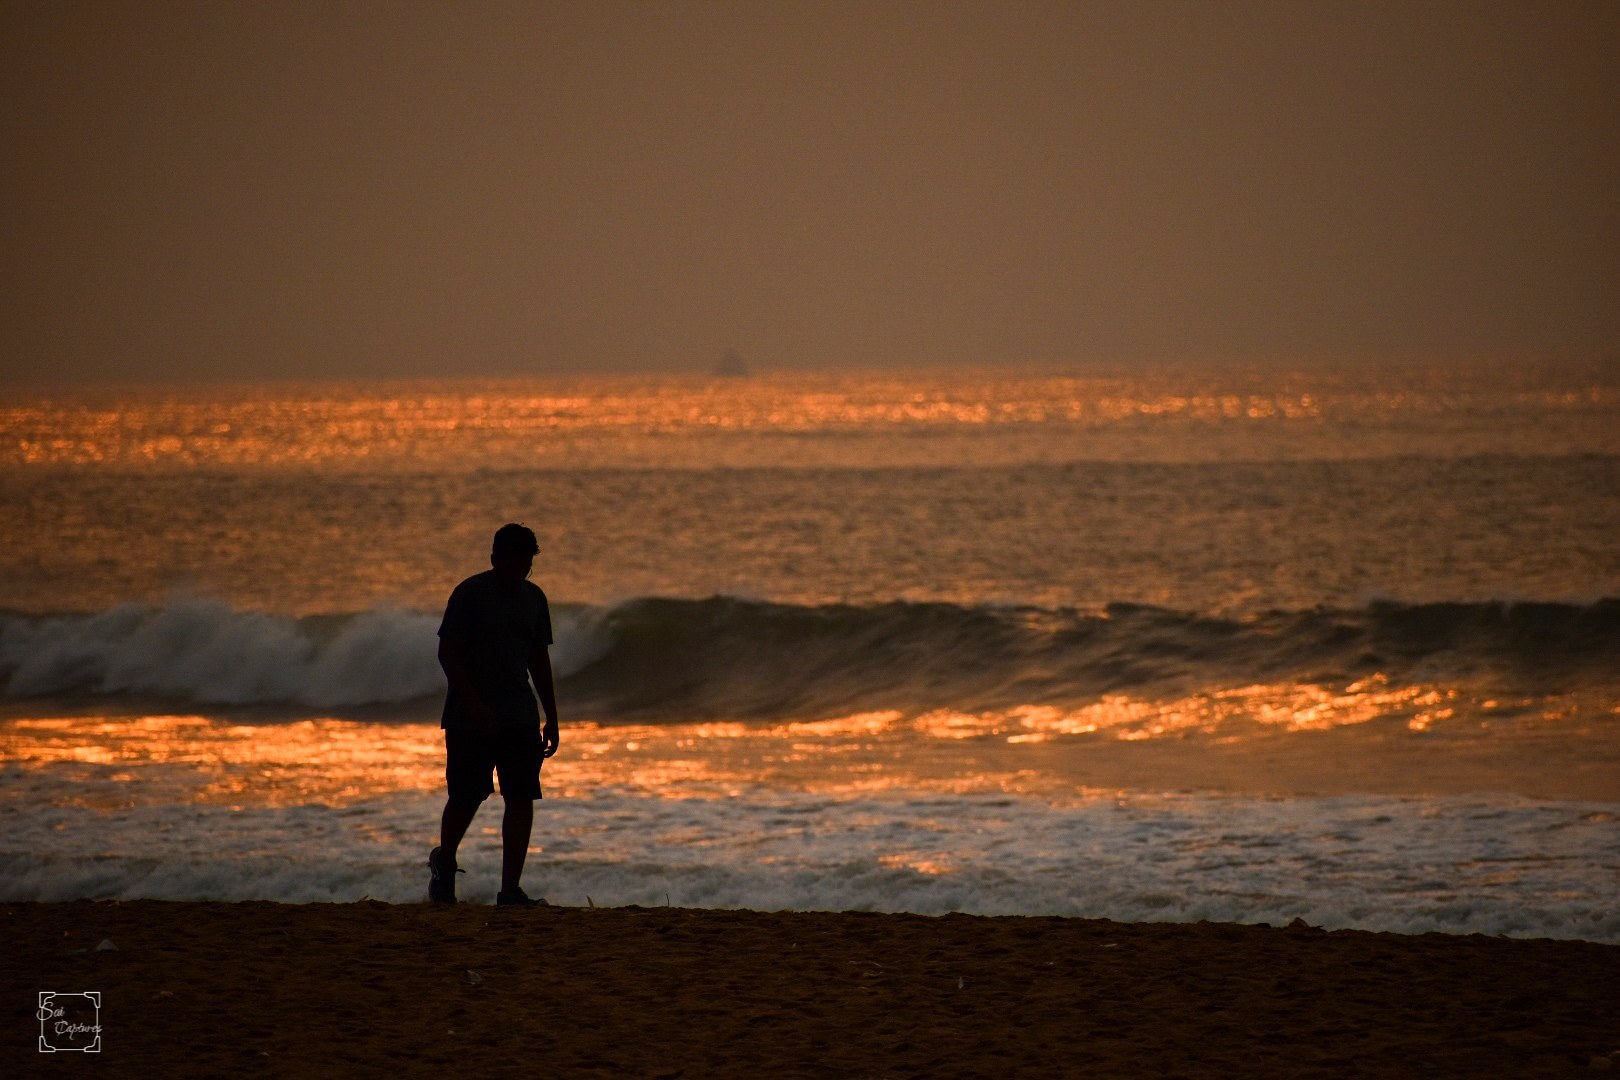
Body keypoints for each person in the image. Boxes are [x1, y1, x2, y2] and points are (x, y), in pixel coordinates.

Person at [428, 523, 559, 906]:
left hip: (519, 713)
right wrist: (473, 705)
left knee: (520, 796)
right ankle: (444, 862)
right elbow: (447, 653)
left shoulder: (534, 598)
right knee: (466, 796)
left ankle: (510, 891)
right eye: (512, 562)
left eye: (525, 564)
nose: (518, 571)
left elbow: (538, 659)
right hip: (469, 717)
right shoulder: (469, 594)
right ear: (494, 559)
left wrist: (552, 716)